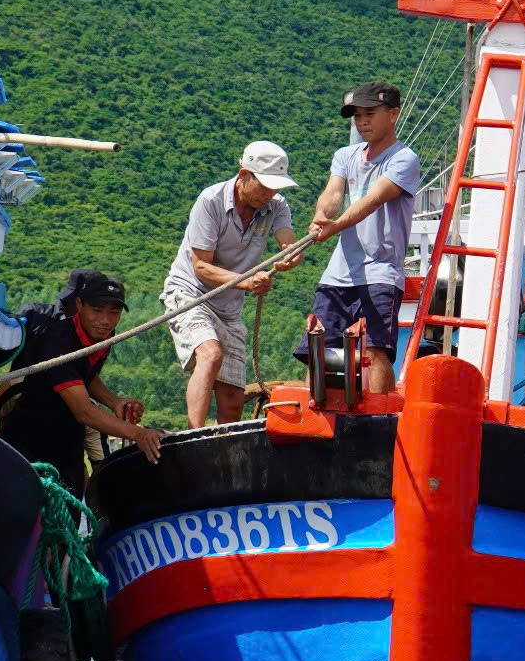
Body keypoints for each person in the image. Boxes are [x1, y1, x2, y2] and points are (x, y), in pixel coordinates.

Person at [163, 141, 300, 427]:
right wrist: (248, 282)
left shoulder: (276, 206)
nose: (270, 194)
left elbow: (288, 242)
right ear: (243, 175)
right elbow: (201, 267)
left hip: (229, 308)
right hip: (191, 294)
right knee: (211, 355)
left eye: (275, 187)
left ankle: (223, 447)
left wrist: (292, 255)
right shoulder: (211, 200)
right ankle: (194, 434)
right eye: (265, 186)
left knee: (232, 399)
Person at [0, 268, 162, 491]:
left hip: (69, 434)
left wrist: (115, 402)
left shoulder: (103, 336)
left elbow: (84, 374)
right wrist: (139, 434)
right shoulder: (57, 342)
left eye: (114, 312)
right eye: (97, 310)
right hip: (31, 435)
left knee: (72, 498)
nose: (105, 321)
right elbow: (84, 410)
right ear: (80, 305)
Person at [302, 82, 421, 396]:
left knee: (375, 350)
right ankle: (315, 414)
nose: (362, 121)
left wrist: (335, 226)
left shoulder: (404, 159)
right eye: (357, 116)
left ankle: (380, 414)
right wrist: (321, 216)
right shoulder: (345, 155)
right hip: (338, 274)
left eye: (370, 114)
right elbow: (333, 193)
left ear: (393, 114)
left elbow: (373, 200)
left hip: (380, 273)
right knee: (318, 348)